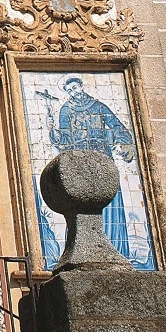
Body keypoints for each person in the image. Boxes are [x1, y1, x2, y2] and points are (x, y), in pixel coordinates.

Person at [45, 75, 136, 260]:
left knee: (110, 203)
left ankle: (118, 250)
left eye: (74, 88)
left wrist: (123, 142)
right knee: (78, 205)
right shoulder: (66, 110)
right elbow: (65, 139)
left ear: (81, 86)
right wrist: (53, 131)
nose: (73, 92)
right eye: (69, 90)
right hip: (79, 163)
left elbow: (117, 126)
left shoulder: (98, 106)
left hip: (103, 159)